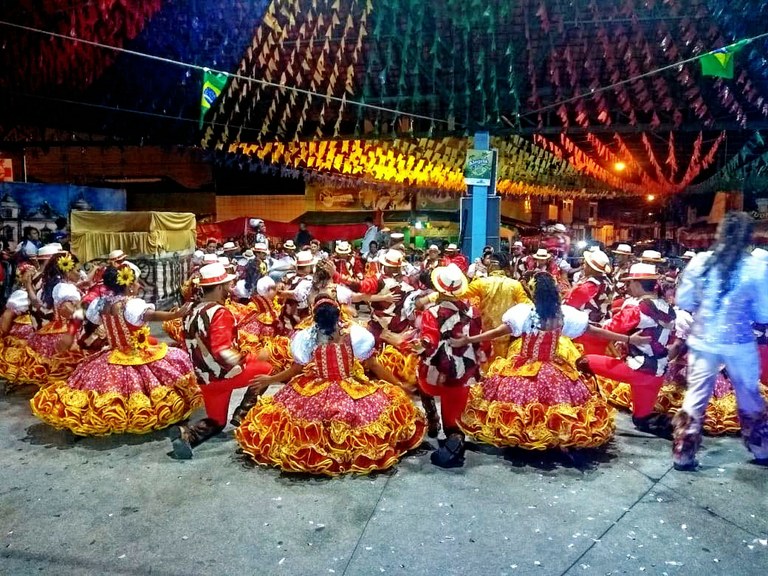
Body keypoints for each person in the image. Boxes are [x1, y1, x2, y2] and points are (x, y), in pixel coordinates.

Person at [234, 294, 426, 476]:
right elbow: (374, 365)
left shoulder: (306, 338)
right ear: (338, 314)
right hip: (351, 389)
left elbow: (294, 370)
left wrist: (270, 380)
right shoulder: (355, 334)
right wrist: (399, 384)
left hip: (313, 389)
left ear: (314, 316)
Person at [454, 272, 643, 451]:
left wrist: (469, 340)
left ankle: (526, 435)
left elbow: (497, 333)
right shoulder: (561, 315)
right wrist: (627, 339)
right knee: (557, 403)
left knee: (520, 404)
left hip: (524, 367)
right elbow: (594, 331)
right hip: (553, 367)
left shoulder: (525, 315)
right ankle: (553, 433)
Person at [30, 263, 200, 435]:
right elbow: (152, 315)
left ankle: (120, 414)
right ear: (128, 285)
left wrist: (70, 333)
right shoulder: (132, 305)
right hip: (136, 354)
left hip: (113, 353)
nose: (139, 285)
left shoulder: (101, 304)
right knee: (173, 363)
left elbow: (82, 310)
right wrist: (174, 315)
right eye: (136, 282)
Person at [673, 211, 768, 470]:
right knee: (749, 395)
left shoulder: (700, 262)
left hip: (703, 341)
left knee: (695, 395)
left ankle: (683, 452)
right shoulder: (757, 267)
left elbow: (684, 301)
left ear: (721, 234)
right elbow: (764, 312)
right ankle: (762, 449)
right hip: (739, 343)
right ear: (749, 237)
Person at [169, 263, 273, 459]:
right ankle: (243, 414)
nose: (230, 288)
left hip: (204, 380)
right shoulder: (219, 312)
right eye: (227, 285)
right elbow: (221, 352)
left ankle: (187, 435)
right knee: (267, 368)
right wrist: (251, 357)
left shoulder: (191, 310)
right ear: (218, 287)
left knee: (217, 421)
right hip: (223, 376)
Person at [581, 262, 676, 437]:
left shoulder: (637, 310)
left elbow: (608, 330)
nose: (628, 286)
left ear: (638, 284)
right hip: (657, 373)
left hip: (637, 369)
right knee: (642, 420)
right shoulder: (667, 308)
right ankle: (681, 427)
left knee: (582, 362)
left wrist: (581, 325)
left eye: (631, 282)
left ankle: (583, 409)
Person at [417, 264, 486, 468]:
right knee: (454, 416)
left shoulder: (432, 312)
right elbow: (479, 341)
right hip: (465, 367)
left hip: (438, 368)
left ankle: (432, 421)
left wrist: (423, 347)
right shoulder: (474, 311)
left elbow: (429, 339)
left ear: (439, 288)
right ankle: (453, 437)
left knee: (421, 383)